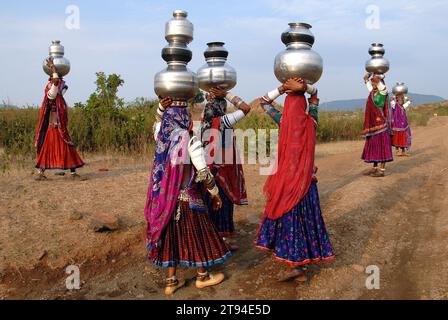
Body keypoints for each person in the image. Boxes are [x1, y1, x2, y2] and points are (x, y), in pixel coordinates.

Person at [145, 97, 231, 296]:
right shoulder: (190, 140)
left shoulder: (163, 136)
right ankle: (202, 277)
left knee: (171, 239)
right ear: (185, 119)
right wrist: (215, 194)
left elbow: (157, 126)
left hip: (167, 202)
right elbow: (203, 172)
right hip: (189, 199)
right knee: (199, 235)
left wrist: (161, 109)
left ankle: (170, 282)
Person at [255, 78, 335, 282]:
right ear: (304, 107)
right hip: (306, 184)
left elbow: (263, 102)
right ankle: (299, 265)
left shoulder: (282, 120)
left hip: (286, 183)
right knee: (303, 222)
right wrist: (307, 88)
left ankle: (296, 266)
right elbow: (316, 97)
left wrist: (283, 88)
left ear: (288, 108)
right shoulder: (312, 121)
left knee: (290, 222)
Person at [200, 87, 251, 251]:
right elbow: (245, 108)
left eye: (209, 106)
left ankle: (215, 239)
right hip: (220, 171)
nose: (207, 109)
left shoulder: (207, 122)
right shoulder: (222, 121)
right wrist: (227, 95)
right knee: (222, 204)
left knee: (213, 204)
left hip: (210, 171)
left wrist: (219, 96)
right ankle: (222, 239)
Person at [34, 57, 85, 181]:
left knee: (56, 149)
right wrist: (52, 67)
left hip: (58, 126)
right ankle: (70, 173)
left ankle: (41, 173)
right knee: (65, 148)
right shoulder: (51, 93)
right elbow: (56, 81)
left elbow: (59, 82)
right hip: (55, 126)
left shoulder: (58, 95)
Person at [361, 73, 394, 177]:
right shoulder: (372, 93)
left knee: (382, 146)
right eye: (372, 83)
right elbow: (368, 82)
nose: (373, 84)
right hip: (373, 125)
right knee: (375, 145)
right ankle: (375, 169)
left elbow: (379, 83)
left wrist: (377, 74)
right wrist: (367, 78)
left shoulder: (383, 92)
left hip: (381, 125)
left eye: (375, 82)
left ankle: (382, 170)